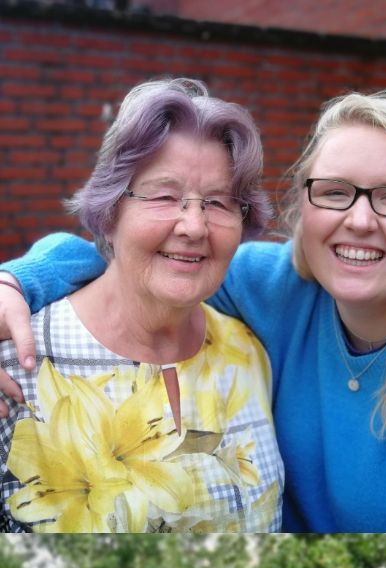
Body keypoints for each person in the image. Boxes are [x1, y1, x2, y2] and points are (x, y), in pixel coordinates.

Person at [1, 89, 386, 532]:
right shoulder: (281, 290)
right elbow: (136, 259)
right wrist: (18, 279)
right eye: (335, 192)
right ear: (306, 207)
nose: (360, 219)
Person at [0, 77, 282, 530]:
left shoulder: (250, 353)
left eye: (217, 202)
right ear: (110, 213)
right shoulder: (18, 363)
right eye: (164, 196)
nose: (194, 225)